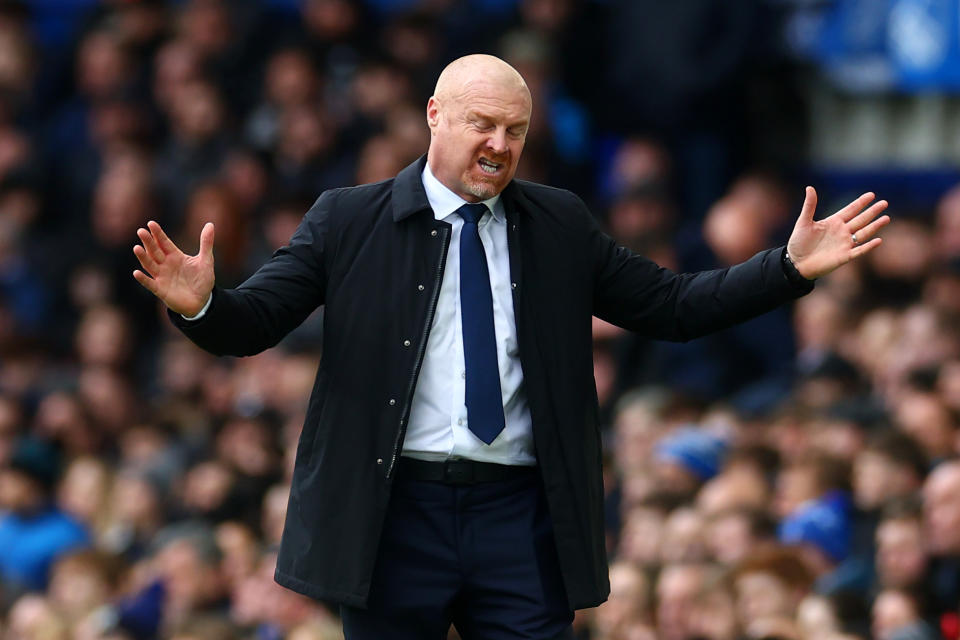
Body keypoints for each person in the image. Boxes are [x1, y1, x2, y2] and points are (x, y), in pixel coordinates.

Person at [132, 54, 890, 639]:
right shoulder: (346, 219)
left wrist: (785, 268)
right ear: (435, 116)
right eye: (483, 124)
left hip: (520, 515)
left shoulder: (559, 224)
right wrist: (200, 305)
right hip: (393, 515)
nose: (500, 144)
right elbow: (256, 321)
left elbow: (672, 306)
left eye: (517, 130)